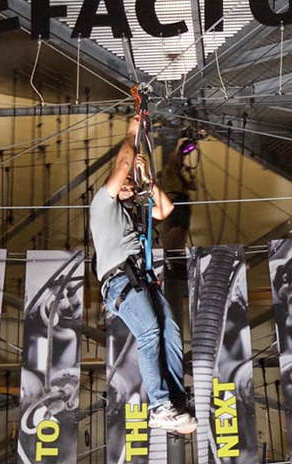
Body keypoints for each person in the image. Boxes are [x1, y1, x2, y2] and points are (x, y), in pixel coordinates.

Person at [90, 116, 196, 434]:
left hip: (141, 281)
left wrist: (148, 179)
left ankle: (174, 400)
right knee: (149, 333)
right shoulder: (102, 206)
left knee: (170, 333)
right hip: (120, 282)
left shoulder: (134, 216)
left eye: (129, 184)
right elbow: (123, 163)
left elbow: (165, 210)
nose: (126, 184)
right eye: (121, 183)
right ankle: (159, 407)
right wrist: (133, 132)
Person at [161, 138, 197, 252]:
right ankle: (174, 250)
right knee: (177, 228)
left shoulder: (179, 175)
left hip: (182, 200)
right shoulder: (169, 170)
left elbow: (193, 187)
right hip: (176, 200)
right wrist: (179, 145)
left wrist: (189, 173)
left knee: (182, 229)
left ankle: (177, 249)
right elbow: (174, 159)